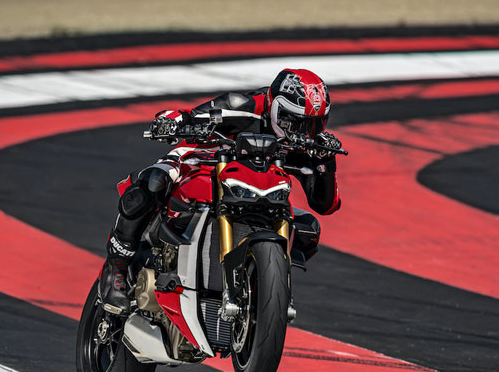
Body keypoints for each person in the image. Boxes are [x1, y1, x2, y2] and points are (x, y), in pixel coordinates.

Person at [99, 68, 343, 314]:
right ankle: (117, 267)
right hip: (203, 159)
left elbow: (325, 204)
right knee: (153, 182)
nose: (303, 133)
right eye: (295, 122)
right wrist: (172, 121)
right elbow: (190, 116)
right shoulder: (241, 106)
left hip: (260, 188)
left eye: (315, 124)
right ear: (274, 107)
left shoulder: (310, 142)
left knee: (308, 229)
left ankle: (258, 284)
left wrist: (326, 162)